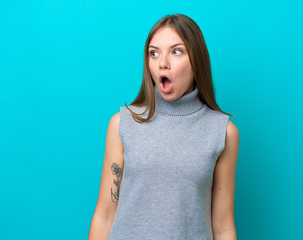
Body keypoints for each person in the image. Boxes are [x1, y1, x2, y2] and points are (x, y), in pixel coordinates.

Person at [88, 13, 239, 240]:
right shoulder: (122, 124)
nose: (162, 63)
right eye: (154, 53)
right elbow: (104, 215)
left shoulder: (223, 132)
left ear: (196, 60)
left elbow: (222, 227)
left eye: (176, 51)